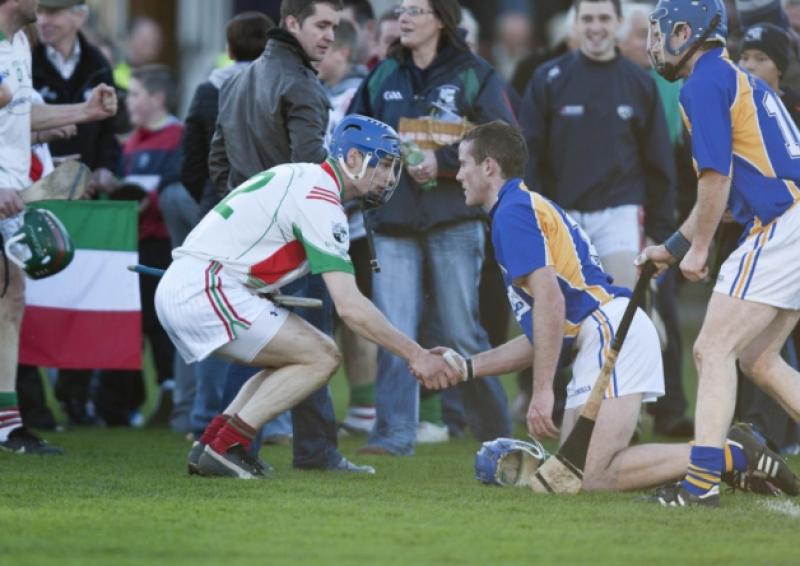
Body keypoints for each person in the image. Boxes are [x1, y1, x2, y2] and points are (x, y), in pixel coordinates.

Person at [437, 120, 798, 496]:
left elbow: (551, 303)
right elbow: (544, 332)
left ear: (489, 167)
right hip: (605, 332)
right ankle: (719, 462)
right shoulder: (519, 206)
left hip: (610, 333)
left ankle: (732, 455)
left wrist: (542, 391)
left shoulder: (511, 214)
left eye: (464, 164)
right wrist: (466, 367)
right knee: (575, 475)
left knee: (593, 476)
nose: (459, 174)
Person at [156, 115, 458, 479]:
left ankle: (213, 443)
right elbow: (351, 307)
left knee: (296, 355)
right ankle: (225, 447)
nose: (389, 178)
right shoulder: (321, 200)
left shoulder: (304, 177)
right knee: (322, 356)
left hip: (198, 285)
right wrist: (416, 355)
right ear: (352, 159)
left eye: (393, 168)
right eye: (383, 164)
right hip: (205, 290)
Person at [639, 0, 800, 506]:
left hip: (782, 224)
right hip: (790, 221)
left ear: (687, 32)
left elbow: (715, 179)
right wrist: (673, 247)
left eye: (661, 33)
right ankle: (704, 478)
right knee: (759, 358)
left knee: (712, 349)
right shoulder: (732, 78)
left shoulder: (703, 83)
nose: (654, 44)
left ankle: (701, 482)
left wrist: (700, 248)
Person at [208, 0, 373, 474]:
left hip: (244, 240)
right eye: (321, 25)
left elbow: (219, 162)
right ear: (293, 23)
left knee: (253, 347)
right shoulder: (303, 85)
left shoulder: (236, 78)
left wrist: (243, 219)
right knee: (312, 346)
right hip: (292, 244)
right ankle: (312, 451)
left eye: (335, 27)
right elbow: (314, 178)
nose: (330, 36)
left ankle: (233, 445)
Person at [347, 0, 514, 454]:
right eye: (400, 8)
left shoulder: (475, 73)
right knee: (395, 331)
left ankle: (498, 435)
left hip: (453, 219)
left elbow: (504, 139)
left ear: (441, 19)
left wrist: (441, 162)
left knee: (462, 334)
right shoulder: (383, 74)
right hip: (392, 221)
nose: (403, 16)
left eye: (415, 9)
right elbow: (353, 134)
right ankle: (394, 435)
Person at [1, 0, 116, 454]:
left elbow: (22, 117)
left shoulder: (20, 44)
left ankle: (8, 426)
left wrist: (83, 112)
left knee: (11, 300)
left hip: (12, 195)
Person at [519, 0, 675, 292]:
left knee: (621, 308)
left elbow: (659, 162)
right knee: (564, 319)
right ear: (575, 24)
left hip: (620, 214)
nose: (595, 27)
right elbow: (529, 156)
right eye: (587, 19)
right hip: (561, 214)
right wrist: (533, 218)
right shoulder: (548, 78)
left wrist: (659, 231)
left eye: (604, 18)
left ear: (618, 23)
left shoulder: (640, 82)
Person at [181, 11, 274, 441]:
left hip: (216, 216)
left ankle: (203, 417)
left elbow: (191, 165)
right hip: (272, 221)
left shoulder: (208, 91)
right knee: (270, 320)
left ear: (229, 47)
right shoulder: (278, 87)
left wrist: (218, 197)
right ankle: (263, 419)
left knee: (214, 318)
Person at [31, 0, 121, 426]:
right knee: (25, 300)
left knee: (83, 299)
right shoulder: (21, 57)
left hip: (84, 203)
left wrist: (104, 170)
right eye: (41, 12)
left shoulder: (97, 63)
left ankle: (75, 398)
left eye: (54, 12)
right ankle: (29, 407)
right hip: (31, 196)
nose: (44, 20)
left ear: (79, 16)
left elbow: (109, 133)